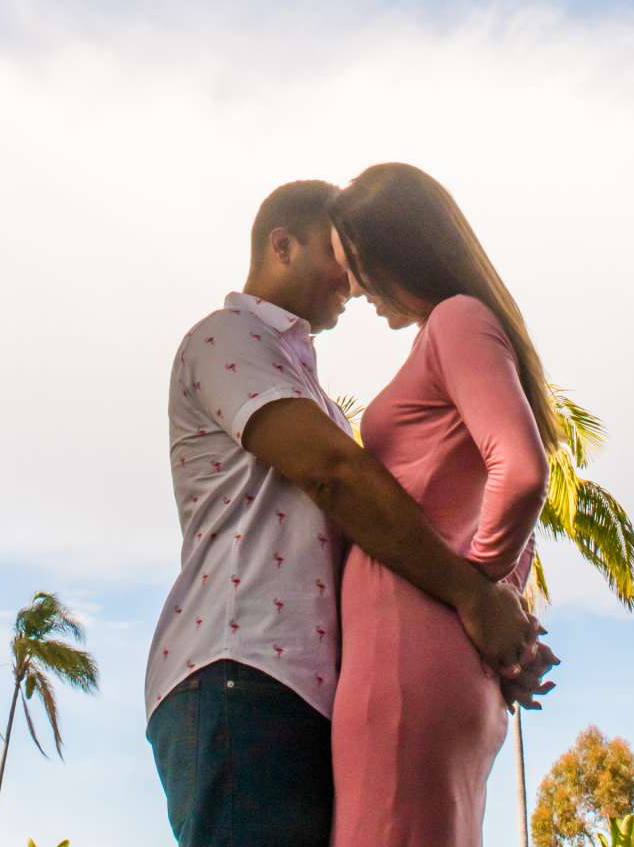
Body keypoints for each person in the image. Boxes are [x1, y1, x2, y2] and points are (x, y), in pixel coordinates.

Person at [145, 180, 554, 847]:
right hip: (239, 669)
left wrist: (494, 628)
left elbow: (411, 514)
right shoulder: (229, 339)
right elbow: (335, 476)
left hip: (306, 686)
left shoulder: (308, 387)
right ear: (283, 245)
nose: (355, 285)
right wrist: (473, 598)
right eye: (341, 262)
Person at [327, 163, 557, 847]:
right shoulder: (464, 330)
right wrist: (497, 617)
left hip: (406, 661)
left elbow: (519, 473)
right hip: (438, 662)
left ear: (404, 251)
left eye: (362, 266)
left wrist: (477, 591)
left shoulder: (456, 321)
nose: (359, 289)